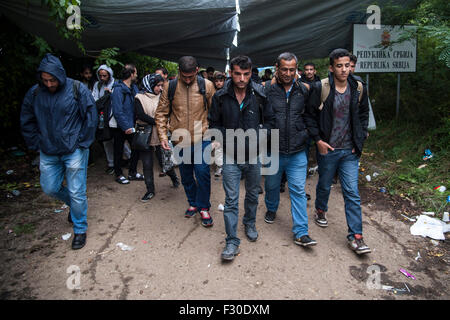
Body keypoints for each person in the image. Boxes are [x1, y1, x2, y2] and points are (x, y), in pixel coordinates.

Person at [20, 53, 97, 250]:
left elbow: (91, 116)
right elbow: (27, 119)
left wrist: (82, 143)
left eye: (52, 80)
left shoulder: (76, 88)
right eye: (45, 80)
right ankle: (75, 204)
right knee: (49, 188)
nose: (49, 84)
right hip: (48, 150)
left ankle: (80, 229)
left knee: (77, 191)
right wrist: (37, 143)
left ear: (60, 76)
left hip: (74, 150)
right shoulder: (35, 93)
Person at [209, 55, 275, 261]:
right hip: (230, 157)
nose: (241, 78)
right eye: (237, 74)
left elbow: (271, 121)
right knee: (230, 200)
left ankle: (249, 222)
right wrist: (218, 138)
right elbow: (213, 123)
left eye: (246, 74)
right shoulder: (220, 97)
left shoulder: (261, 95)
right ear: (231, 73)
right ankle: (231, 241)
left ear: (251, 73)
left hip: (254, 155)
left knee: (253, 194)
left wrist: (261, 135)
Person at [306, 48, 371, 255]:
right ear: (331, 68)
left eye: (347, 65)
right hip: (329, 149)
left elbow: (363, 114)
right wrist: (318, 141)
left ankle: (356, 237)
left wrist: (358, 138)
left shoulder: (359, 88)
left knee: (351, 192)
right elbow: (309, 116)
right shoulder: (321, 88)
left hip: (349, 151)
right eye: (339, 66)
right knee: (324, 184)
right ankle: (320, 209)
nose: (344, 70)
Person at [263, 52, 317, 247]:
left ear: (297, 70)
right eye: (284, 69)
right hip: (272, 150)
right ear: (277, 68)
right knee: (271, 186)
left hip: (297, 151)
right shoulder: (265, 90)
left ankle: (301, 232)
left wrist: (306, 134)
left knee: (298, 190)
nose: (287, 73)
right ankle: (271, 207)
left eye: (291, 70)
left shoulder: (305, 89)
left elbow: (311, 116)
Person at [155, 56, 215, 227]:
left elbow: (215, 113)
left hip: (202, 137)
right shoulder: (170, 86)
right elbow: (161, 113)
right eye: (184, 76)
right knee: (186, 174)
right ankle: (193, 202)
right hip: (179, 138)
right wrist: (162, 136)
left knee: (203, 173)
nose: (187, 79)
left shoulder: (207, 85)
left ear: (197, 70)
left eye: (191, 76)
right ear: (179, 72)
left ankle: (204, 206)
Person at [135, 74, 180, 201]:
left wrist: (162, 123)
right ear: (149, 85)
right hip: (146, 135)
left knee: (164, 161)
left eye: (162, 85)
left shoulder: (163, 97)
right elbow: (141, 115)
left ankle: (174, 179)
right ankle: (150, 190)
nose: (160, 88)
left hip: (161, 135)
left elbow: (169, 113)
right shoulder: (139, 98)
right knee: (147, 164)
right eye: (157, 85)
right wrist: (159, 121)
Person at [92, 64, 132, 175]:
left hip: (114, 117)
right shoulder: (97, 85)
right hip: (102, 117)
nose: (102, 78)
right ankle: (111, 164)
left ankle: (128, 158)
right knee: (106, 140)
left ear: (109, 75)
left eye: (105, 75)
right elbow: (94, 98)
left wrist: (111, 94)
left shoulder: (117, 84)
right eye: (100, 75)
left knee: (119, 141)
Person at [110, 63, 144, 184]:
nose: (137, 75)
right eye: (135, 72)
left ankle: (132, 172)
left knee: (136, 148)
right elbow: (117, 111)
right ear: (131, 74)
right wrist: (126, 127)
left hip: (132, 124)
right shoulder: (118, 90)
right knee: (118, 151)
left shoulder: (133, 87)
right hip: (121, 126)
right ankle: (118, 174)